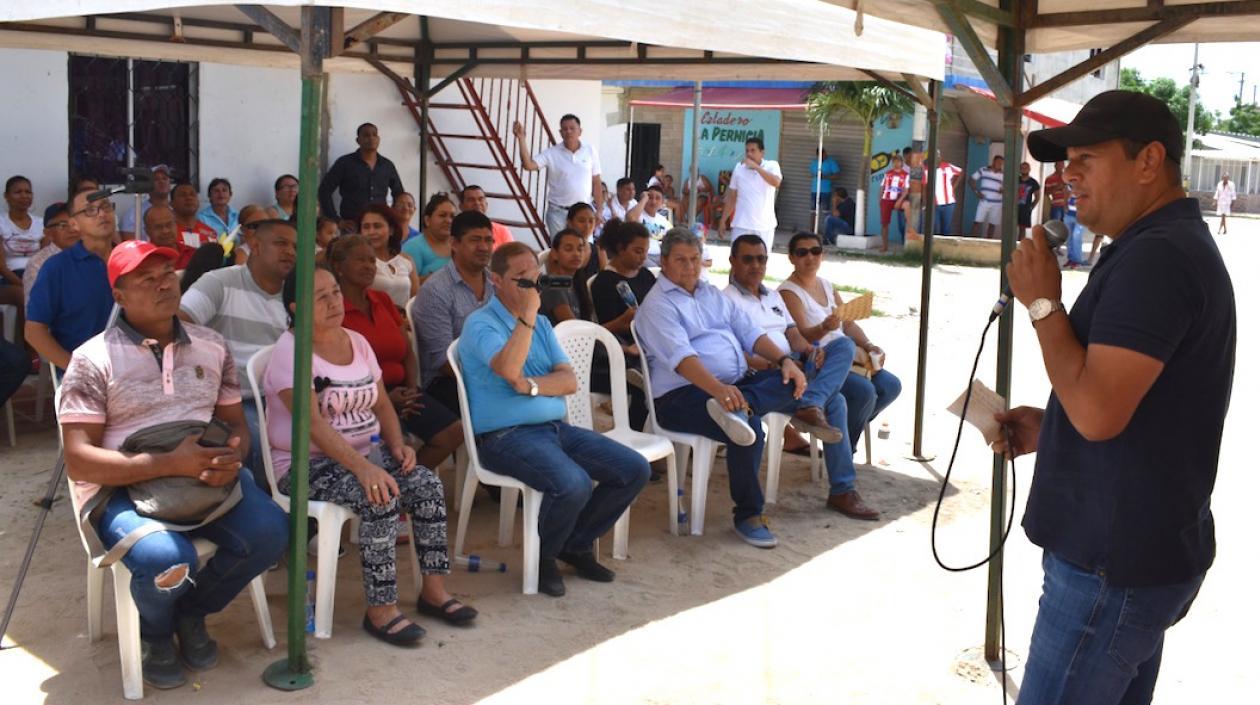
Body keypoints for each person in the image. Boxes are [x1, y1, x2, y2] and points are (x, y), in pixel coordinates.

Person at [1001, 89, 1235, 705]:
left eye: (1086, 158)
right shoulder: (1154, 244)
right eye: (1065, 160)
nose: (1066, 175)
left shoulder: (1157, 258)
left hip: (1110, 567)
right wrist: (1052, 425)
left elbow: (1101, 414)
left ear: (1149, 160)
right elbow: (1124, 396)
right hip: (1132, 555)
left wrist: (1043, 303)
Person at [59, 240, 288, 688]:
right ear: (119, 296)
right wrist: (167, 464)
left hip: (204, 476)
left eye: (167, 273)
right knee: (167, 560)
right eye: (146, 278)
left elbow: (233, 425)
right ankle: (157, 633)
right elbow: (78, 459)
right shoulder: (92, 359)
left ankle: (191, 613)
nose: (163, 283)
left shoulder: (211, 345)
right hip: (121, 489)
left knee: (273, 533)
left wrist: (232, 457)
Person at [265, 267, 475, 645]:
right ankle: (381, 610)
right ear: (297, 307)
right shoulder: (290, 353)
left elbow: (381, 404)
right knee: (380, 496)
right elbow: (312, 425)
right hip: (304, 466)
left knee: (426, 484)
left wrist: (396, 445)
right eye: (321, 296)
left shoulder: (357, 341)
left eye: (335, 292)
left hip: (366, 454)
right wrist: (364, 468)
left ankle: (433, 591)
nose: (335, 302)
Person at [459, 241, 650, 597]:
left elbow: (569, 380)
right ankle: (544, 558)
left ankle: (572, 544)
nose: (532, 288)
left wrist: (530, 387)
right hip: (504, 436)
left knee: (633, 469)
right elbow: (507, 368)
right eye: (521, 280)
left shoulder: (544, 325)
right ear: (496, 280)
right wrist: (527, 316)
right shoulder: (480, 324)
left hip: (554, 428)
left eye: (535, 279)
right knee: (573, 483)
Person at [636, 228, 838, 548]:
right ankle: (748, 515)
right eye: (680, 261)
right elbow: (682, 359)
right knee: (750, 427)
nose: (689, 267)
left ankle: (745, 405)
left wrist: (784, 359)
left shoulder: (710, 294)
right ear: (663, 262)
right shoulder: (658, 304)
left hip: (733, 387)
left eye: (694, 259)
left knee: (795, 375)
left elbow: (751, 334)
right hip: (681, 396)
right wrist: (717, 390)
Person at [723, 234, 879, 519]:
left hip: (793, 369)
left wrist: (808, 351)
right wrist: (776, 364)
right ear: (732, 261)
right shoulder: (727, 300)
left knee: (842, 350)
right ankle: (841, 487)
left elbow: (793, 335)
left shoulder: (772, 296)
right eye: (748, 259)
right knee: (839, 401)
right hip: (761, 375)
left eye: (761, 259)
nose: (755, 265)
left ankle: (840, 486)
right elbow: (731, 351)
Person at [327, 235, 465, 471]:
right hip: (358, 399)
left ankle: (402, 485)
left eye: (372, 261)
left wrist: (411, 389)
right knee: (389, 446)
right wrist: (385, 401)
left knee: (453, 433)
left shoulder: (382, 300)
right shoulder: (333, 310)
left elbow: (407, 353)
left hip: (402, 390)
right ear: (339, 267)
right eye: (360, 260)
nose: (369, 267)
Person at [180, 219, 295, 493]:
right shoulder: (220, 283)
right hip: (236, 400)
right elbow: (178, 325)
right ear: (254, 245)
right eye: (281, 243)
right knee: (259, 443)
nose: (290, 252)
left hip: (286, 396)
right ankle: (276, 515)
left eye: (296, 246)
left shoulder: (297, 293)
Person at [778, 232, 902, 474]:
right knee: (865, 392)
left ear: (822, 255)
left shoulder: (826, 285)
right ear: (791, 257)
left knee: (890, 385)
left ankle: (843, 447)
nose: (810, 257)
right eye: (802, 252)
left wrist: (868, 345)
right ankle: (843, 455)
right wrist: (824, 327)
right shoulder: (788, 292)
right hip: (822, 362)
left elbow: (848, 323)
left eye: (815, 251)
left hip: (847, 357)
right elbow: (801, 337)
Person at [410, 210, 496, 413]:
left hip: (494, 373)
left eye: (488, 240)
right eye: (475, 240)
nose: (484, 247)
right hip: (449, 381)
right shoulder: (436, 291)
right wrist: (499, 378)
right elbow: (444, 362)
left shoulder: (496, 284)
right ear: (454, 243)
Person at [25, 188, 117, 370]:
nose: (102, 214)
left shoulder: (131, 259)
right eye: (90, 210)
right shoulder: (57, 268)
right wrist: (76, 368)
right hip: (85, 371)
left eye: (106, 206)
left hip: (135, 366)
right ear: (74, 224)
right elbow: (34, 331)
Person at [590, 220, 653, 431]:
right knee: (644, 385)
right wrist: (625, 322)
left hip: (647, 343)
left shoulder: (646, 276)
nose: (643, 257)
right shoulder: (605, 282)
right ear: (620, 248)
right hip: (619, 351)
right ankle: (632, 436)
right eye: (637, 251)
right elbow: (605, 329)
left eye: (645, 252)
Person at [513, 114, 602, 236]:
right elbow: (529, 165)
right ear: (560, 132)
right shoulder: (552, 153)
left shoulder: (590, 150)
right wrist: (521, 138)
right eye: (564, 129)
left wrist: (599, 210)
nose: (568, 132)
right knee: (560, 250)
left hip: (583, 213)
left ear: (580, 131)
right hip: (558, 212)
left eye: (572, 128)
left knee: (584, 250)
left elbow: (596, 182)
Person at [318, 123, 405, 230]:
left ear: (378, 139)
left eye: (374, 135)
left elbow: (399, 194)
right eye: (366, 135)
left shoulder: (387, 165)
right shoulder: (345, 163)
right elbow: (324, 190)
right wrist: (336, 220)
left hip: (380, 225)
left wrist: (392, 217)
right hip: (352, 226)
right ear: (358, 140)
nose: (371, 138)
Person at [720, 137, 783, 253]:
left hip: (764, 226)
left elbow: (776, 182)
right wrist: (723, 220)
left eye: (753, 150)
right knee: (737, 260)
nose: (749, 154)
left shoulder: (772, 165)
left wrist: (756, 167)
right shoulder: (739, 168)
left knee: (761, 261)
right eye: (747, 151)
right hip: (741, 224)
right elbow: (732, 197)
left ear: (762, 152)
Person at [359, 203, 417, 308]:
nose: (371, 232)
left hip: (404, 321)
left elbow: (416, 300)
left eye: (377, 226)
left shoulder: (406, 260)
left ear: (391, 230)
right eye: (366, 227)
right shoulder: (358, 263)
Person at [23, 203, 76, 302]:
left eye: (74, 223)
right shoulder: (38, 264)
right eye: (63, 225)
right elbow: (35, 309)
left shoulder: (91, 255)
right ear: (48, 233)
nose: (72, 229)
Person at [402, 193, 456, 286]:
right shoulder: (414, 247)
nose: (448, 221)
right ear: (427, 220)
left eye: (452, 216)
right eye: (442, 215)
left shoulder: (459, 245)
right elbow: (404, 286)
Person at [539, 228, 585, 325]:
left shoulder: (575, 282)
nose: (576, 254)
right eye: (568, 249)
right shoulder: (554, 284)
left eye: (580, 249)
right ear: (555, 254)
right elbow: (572, 326)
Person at [1, 175, 43, 282]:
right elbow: (1, 267)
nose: (24, 196)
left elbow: (46, 258)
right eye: (18, 192)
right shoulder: (1, 223)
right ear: (6, 196)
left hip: (37, 276)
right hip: (9, 278)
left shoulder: (41, 223)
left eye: (28, 192)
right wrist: (23, 286)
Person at [119, 164, 173, 240]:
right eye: (156, 179)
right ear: (147, 184)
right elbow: (131, 246)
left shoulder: (177, 210)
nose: (161, 181)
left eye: (164, 178)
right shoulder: (133, 214)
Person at [144, 204, 197, 270]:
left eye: (169, 225)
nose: (165, 231)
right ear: (147, 231)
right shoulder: (143, 260)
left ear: (176, 225)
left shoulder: (193, 255)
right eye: (158, 227)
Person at [878, 155, 910, 252]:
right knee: (884, 224)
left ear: (902, 163)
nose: (896, 164)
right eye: (894, 162)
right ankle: (884, 246)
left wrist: (899, 201)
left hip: (898, 199)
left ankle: (911, 229)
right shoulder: (888, 174)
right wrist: (880, 199)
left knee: (907, 205)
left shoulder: (906, 175)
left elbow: (906, 191)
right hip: (886, 200)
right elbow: (882, 187)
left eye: (898, 161)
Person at [926, 152, 964, 235]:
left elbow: (961, 172)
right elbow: (924, 186)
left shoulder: (948, 166)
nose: (936, 158)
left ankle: (944, 247)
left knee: (946, 228)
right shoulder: (927, 170)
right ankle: (935, 247)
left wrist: (954, 186)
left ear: (940, 157)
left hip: (949, 203)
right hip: (934, 204)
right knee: (935, 228)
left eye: (938, 156)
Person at [171, 182, 218, 247]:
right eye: (182, 195)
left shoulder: (210, 232)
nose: (189, 198)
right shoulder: (167, 233)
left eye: (193, 194)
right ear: (171, 203)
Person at [969, 155, 1004, 239]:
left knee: (992, 224)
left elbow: (1006, 188)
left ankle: (988, 243)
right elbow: (971, 179)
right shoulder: (983, 170)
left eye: (1001, 163)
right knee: (977, 222)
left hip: (997, 203)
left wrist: (1003, 190)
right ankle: (971, 242)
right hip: (984, 201)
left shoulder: (1003, 174)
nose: (1000, 164)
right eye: (998, 162)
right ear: (993, 161)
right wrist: (976, 192)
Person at [810, 149, 841, 220]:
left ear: (825, 153)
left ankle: (827, 229)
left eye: (823, 154)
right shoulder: (815, 162)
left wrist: (825, 177)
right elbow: (812, 172)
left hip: (825, 190)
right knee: (813, 210)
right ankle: (812, 229)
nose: (822, 156)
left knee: (825, 211)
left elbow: (837, 174)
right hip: (815, 189)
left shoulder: (831, 162)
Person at [1017, 161, 1042, 240]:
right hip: (1014, 208)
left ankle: (1020, 245)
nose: (1024, 169)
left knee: (1022, 229)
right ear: (1020, 169)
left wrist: (1031, 207)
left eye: (1026, 168)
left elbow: (1037, 197)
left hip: (1025, 209)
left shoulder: (1033, 182)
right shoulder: (1015, 180)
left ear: (1029, 169)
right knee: (1011, 227)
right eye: (1022, 168)